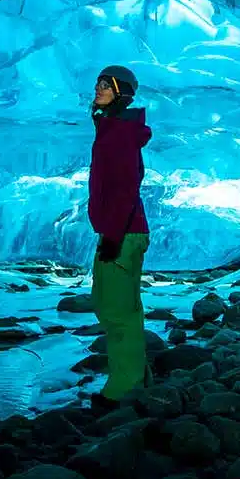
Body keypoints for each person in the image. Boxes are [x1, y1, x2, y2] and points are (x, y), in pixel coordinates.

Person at [88, 64, 153, 404]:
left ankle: (124, 392)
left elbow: (126, 187)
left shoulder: (121, 133)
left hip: (123, 232)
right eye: (98, 83)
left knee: (117, 312)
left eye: (106, 85)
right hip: (121, 231)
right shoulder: (113, 129)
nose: (98, 89)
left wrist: (113, 235)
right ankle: (137, 378)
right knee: (115, 305)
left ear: (122, 92)